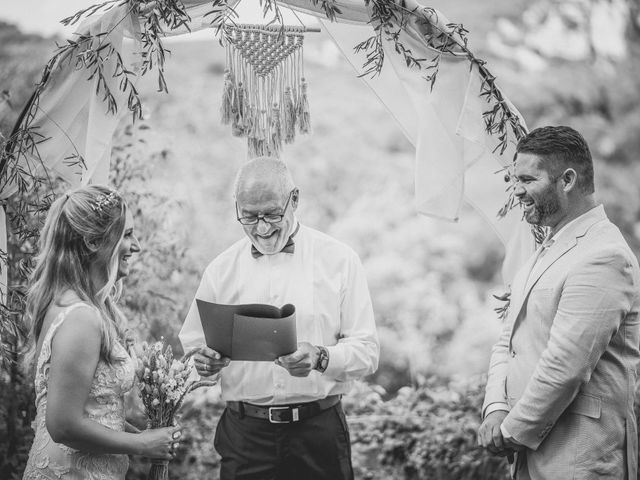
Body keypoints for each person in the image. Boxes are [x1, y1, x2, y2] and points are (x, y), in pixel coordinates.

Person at [179, 157, 379, 480]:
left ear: (295, 199)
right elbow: (190, 355)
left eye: (272, 214)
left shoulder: (341, 260)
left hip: (319, 435)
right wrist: (203, 364)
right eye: (249, 216)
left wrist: (321, 357)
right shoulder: (219, 271)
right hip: (245, 438)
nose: (262, 227)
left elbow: (368, 352)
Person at [478, 126, 640, 479]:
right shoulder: (549, 247)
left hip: (579, 455)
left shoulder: (605, 256)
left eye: (527, 180)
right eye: (514, 179)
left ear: (566, 180)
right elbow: (508, 340)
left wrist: (510, 432)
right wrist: (495, 408)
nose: (517, 191)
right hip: (531, 453)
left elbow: (565, 366)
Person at [22, 185, 181, 480]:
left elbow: (93, 412)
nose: (136, 246)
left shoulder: (86, 306)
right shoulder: (81, 318)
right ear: (95, 242)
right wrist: (141, 444)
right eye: (127, 235)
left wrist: (146, 435)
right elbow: (62, 424)